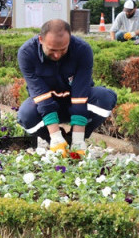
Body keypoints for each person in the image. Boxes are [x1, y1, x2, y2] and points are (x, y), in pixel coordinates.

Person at [17, 19, 118, 157]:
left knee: (105, 98)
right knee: (25, 116)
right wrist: (54, 135)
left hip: (75, 100)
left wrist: (78, 137)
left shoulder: (82, 50)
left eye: (63, 49)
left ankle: (74, 140)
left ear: (69, 40)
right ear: (41, 40)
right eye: (52, 50)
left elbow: (81, 92)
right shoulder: (27, 53)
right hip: (47, 103)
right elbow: (40, 95)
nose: (57, 55)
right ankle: (58, 141)